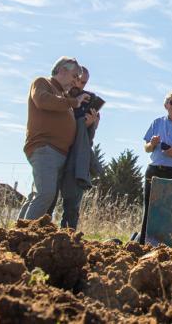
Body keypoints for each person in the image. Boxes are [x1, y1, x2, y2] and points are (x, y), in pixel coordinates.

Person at [18, 57, 89, 220]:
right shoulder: (42, 83)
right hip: (45, 147)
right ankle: (24, 236)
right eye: (74, 76)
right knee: (46, 194)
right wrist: (73, 102)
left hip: (58, 153)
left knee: (38, 194)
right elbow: (42, 100)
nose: (76, 81)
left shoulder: (64, 97)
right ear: (63, 70)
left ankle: (16, 232)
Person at [49, 66, 101, 229]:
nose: (79, 85)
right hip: (56, 151)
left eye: (83, 82)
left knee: (72, 204)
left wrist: (91, 125)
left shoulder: (90, 102)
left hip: (78, 156)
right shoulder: (59, 95)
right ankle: (39, 234)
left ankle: (68, 239)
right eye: (77, 80)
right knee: (48, 196)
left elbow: (88, 139)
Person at [139, 91, 172, 244]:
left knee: (171, 210)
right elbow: (146, 148)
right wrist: (152, 143)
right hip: (154, 170)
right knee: (149, 209)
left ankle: (168, 245)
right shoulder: (156, 122)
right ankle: (143, 244)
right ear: (166, 105)